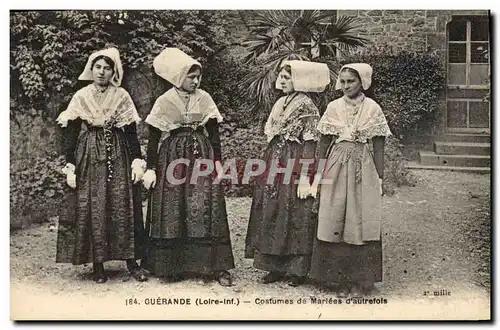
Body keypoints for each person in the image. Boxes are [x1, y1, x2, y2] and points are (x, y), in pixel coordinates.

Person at [142, 48, 234, 286]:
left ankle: (214, 266)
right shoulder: (164, 101)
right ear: (178, 77)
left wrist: (218, 164)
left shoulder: (205, 99)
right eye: (191, 76)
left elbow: (214, 135)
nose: (196, 81)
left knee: (205, 206)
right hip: (172, 157)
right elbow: (153, 138)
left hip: (201, 155)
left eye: (198, 77)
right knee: (174, 207)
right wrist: (151, 167)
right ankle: (172, 266)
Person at [55, 47, 148, 283]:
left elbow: (131, 133)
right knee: (95, 206)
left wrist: (137, 160)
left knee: (122, 203)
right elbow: (71, 133)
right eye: (98, 67)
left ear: (113, 72)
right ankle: (98, 264)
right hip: (90, 153)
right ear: (91, 69)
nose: (102, 72)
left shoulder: (122, 96)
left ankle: (132, 261)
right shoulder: (81, 96)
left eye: (107, 68)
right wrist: (70, 164)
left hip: (119, 153)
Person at [244, 60, 330, 287]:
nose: (280, 81)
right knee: (272, 209)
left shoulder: (308, 106)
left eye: (286, 77)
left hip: (294, 159)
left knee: (293, 211)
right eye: (280, 77)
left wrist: (305, 175)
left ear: (299, 80)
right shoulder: (280, 102)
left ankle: (296, 269)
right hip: (274, 159)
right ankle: (274, 266)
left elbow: (311, 143)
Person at [308, 63, 392, 297]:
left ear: (362, 82)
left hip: (362, 166)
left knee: (359, 219)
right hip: (336, 165)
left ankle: (360, 280)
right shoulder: (334, 107)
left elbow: (378, 146)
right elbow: (323, 143)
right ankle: (337, 280)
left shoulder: (373, 108)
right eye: (342, 81)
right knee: (334, 217)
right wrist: (318, 173)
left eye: (351, 81)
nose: (345, 86)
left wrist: (380, 177)